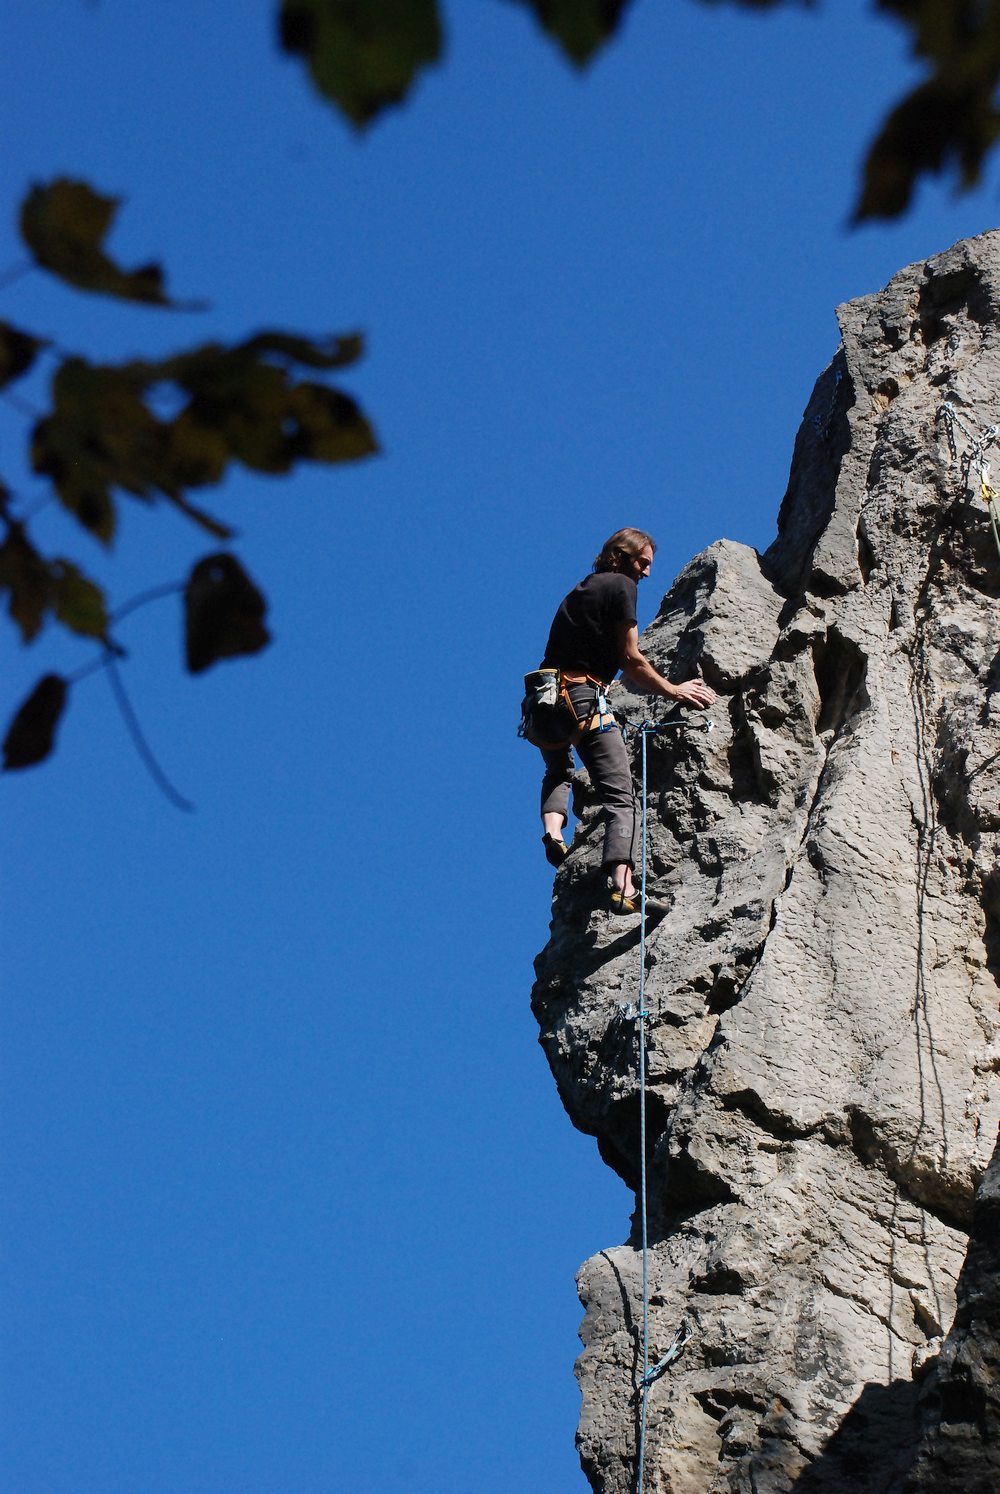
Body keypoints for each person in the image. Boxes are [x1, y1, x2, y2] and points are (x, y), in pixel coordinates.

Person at [536, 527, 715, 914]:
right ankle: (624, 886)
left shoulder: (580, 589)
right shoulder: (621, 586)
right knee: (622, 797)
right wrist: (674, 690)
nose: (647, 573)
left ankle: (553, 832)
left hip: (544, 701)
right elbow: (630, 658)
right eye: (643, 563)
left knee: (558, 771)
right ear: (623, 555)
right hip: (582, 699)